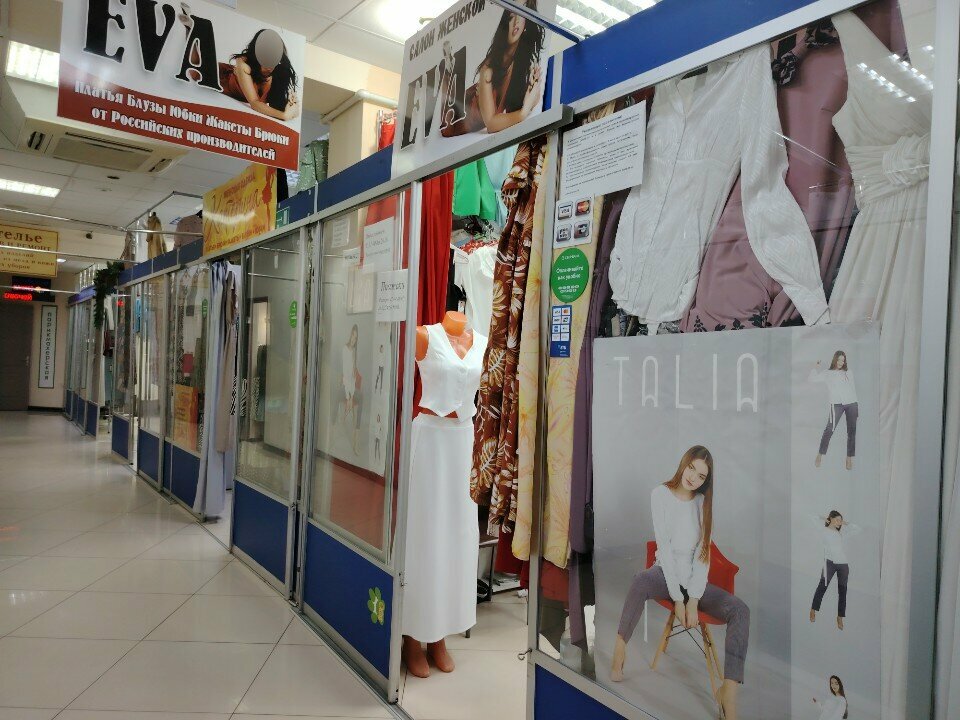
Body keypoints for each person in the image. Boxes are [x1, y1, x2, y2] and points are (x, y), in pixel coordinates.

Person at [610, 446, 749, 720]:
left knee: (741, 610)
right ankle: (620, 645)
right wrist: (678, 599)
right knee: (640, 580)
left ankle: (729, 692)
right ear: (684, 464)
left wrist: (693, 599)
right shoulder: (660, 494)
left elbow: (703, 556)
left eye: (701, 476)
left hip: (695, 581)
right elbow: (665, 548)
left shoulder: (702, 503)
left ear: (706, 481)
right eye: (691, 468)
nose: (693, 478)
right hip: (665, 573)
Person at [440, 0, 545, 136]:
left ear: (526, 24)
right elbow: (491, 124)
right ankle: (447, 73)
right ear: (505, 24)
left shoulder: (520, 64)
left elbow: (532, 101)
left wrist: (531, 92)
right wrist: (523, 112)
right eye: (511, 16)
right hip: (456, 119)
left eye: (522, 14)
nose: (517, 21)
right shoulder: (488, 68)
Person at [178, 7, 299, 122]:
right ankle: (191, 28)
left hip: (239, 81)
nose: (269, 66)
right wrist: (284, 115)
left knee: (197, 67)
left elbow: (294, 111)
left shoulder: (280, 72)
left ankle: (193, 28)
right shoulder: (244, 64)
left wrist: (293, 105)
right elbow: (254, 103)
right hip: (225, 80)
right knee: (195, 70)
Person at [810, 511, 861, 630]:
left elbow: (858, 529)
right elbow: (811, 517)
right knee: (822, 586)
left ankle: (840, 617)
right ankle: (813, 609)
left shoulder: (841, 534)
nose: (839, 523)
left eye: (840, 521)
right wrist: (825, 518)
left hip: (843, 565)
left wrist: (845, 523)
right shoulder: (823, 530)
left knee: (843, 591)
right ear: (831, 519)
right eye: (837, 520)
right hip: (829, 563)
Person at [810, 351, 858, 470]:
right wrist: (816, 366)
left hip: (852, 403)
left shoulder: (848, 372)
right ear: (835, 359)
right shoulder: (827, 373)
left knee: (852, 431)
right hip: (836, 405)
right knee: (829, 429)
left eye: (843, 360)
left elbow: (853, 388)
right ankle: (820, 454)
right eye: (839, 360)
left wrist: (856, 405)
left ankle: (849, 457)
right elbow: (812, 379)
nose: (841, 362)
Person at [340, 325, 362, 455]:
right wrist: (348, 397)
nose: (354, 339)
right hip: (344, 386)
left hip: (351, 388)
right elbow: (345, 375)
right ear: (350, 335)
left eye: (356, 337)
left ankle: (356, 442)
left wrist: (352, 395)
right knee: (349, 402)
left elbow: (353, 377)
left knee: (362, 399)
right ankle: (340, 422)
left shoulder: (354, 352)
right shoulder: (345, 349)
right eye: (353, 336)